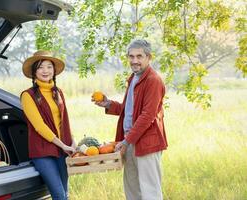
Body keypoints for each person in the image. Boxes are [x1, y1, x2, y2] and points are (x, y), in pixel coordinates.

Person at [93, 39, 168, 200]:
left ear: (149, 57)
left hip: (146, 142)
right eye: (131, 56)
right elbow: (130, 110)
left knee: (150, 192)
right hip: (131, 141)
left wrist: (126, 142)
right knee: (132, 191)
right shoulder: (134, 78)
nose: (134, 61)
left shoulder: (153, 80)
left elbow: (147, 116)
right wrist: (108, 104)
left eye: (139, 56)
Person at [20, 50, 76, 200]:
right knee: (58, 195)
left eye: (49, 67)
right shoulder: (27, 95)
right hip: (42, 151)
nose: (45, 71)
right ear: (34, 72)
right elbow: (39, 126)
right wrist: (62, 145)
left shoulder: (58, 92)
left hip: (62, 149)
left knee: (65, 194)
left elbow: (64, 120)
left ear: (54, 70)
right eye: (40, 67)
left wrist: (72, 141)